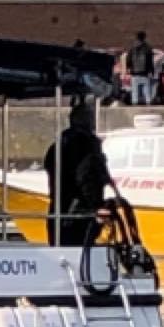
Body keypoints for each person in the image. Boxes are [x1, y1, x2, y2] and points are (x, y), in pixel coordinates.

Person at [44, 99, 112, 247]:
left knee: (60, 247)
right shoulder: (85, 145)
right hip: (78, 212)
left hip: (58, 208)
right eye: (91, 118)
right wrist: (96, 205)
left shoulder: (58, 144)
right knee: (80, 250)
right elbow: (86, 177)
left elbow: (50, 167)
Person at [127, 30, 156, 104]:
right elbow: (150, 61)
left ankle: (134, 106)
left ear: (136, 38)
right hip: (145, 73)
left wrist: (128, 68)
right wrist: (152, 71)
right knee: (147, 93)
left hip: (134, 73)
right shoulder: (148, 48)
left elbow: (128, 59)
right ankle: (148, 106)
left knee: (135, 93)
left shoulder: (132, 48)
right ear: (144, 38)